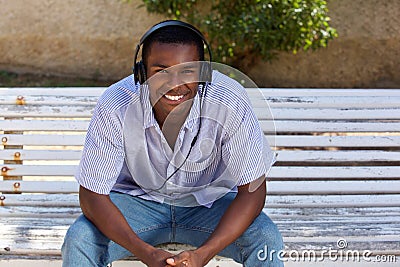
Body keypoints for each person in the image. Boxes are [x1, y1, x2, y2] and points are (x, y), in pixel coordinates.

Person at [61, 20, 284, 267]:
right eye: (161, 71)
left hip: (209, 206)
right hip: (137, 204)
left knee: (265, 237)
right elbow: (92, 196)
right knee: (80, 239)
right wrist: (146, 253)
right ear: (142, 73)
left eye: (188, 71)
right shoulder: (116, 104)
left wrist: (203, 254)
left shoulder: (229, 101)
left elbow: (252, 191)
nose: (175, 83)